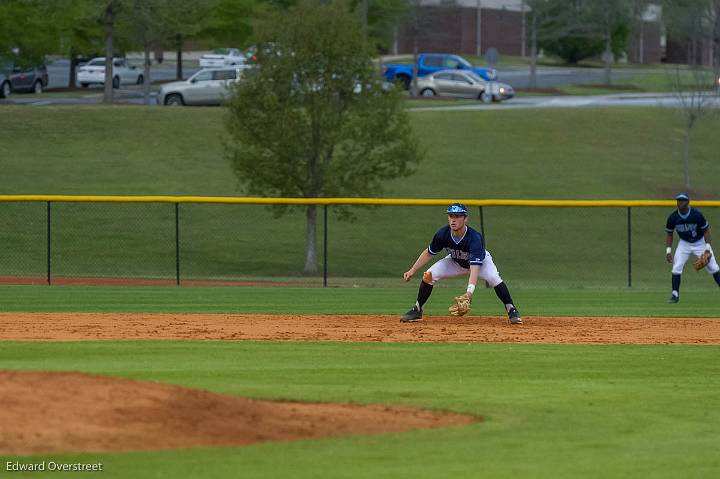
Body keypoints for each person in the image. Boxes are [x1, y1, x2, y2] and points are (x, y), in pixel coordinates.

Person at [400, 203, 522, 324]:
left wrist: (469, 293)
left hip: (481, 263)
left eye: (458, 216)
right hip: (455, 262)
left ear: (465, 218)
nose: (453, 219)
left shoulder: (474, 238)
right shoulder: (443, 234)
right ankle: (417, 309)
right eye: (451, 216)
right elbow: (429, 252)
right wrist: (412, 270)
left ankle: (511, 309)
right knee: (429, 275)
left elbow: (474, 269)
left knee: (494, 278)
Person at [665, 193, 720, 303]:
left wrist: (707, 248)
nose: (680, 202)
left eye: (682, 200)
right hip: (684, 243)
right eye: (678, 200)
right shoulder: (673, 217)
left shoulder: (696, 214)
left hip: (700, 242)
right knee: (676, 267)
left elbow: (706, 231)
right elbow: (669, 234)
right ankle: (675, 295)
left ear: (688, 202)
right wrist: (668, 250)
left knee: (714, 268)